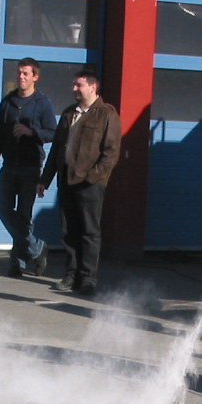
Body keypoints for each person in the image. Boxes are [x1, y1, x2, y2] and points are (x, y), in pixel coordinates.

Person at [37, 68, 120, 296]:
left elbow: (111, 152)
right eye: (74, 84)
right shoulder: (68, 114)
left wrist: (94, 176)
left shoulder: (106, 114)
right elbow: (56, 151)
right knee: (69, 231)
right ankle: (71, 275)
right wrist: (45, 179)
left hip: (90, 184)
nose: (74, 88)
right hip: (67, 181)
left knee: (89, 232)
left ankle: (88, 278)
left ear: (93, 87)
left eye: (79, 85)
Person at [0, 58, 59, 277]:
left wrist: (32, 133)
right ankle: (37, 247)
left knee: (24, 216)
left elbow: (54, 133)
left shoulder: (42, 103)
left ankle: (17, 263)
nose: (21, 77)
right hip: (8, 167)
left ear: (35, 76)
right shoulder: (8, 102)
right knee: (4, 210)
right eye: (19, 73)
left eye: (26, 73)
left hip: (30, 167)